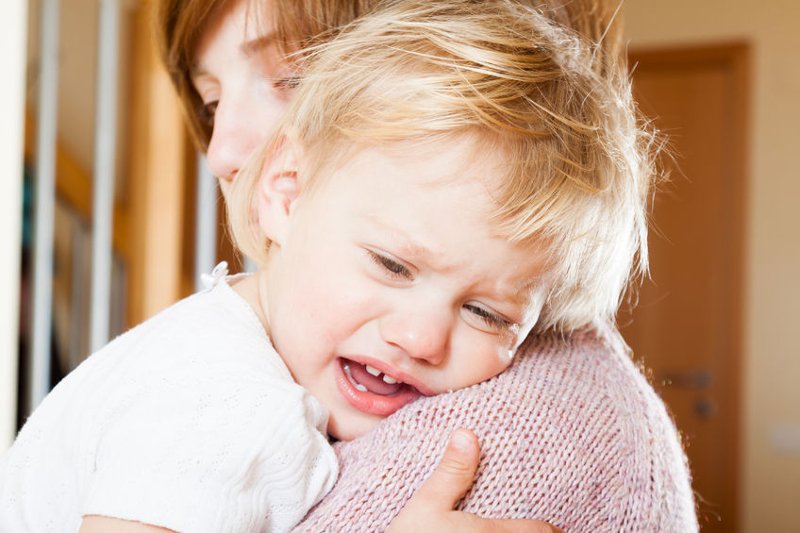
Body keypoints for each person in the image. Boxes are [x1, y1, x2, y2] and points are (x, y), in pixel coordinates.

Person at [157, 0, 697, 531]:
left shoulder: (521, 436)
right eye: (211, 102)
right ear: (288, 191)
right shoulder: (205, 385)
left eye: (290, 79)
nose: (220, 152)